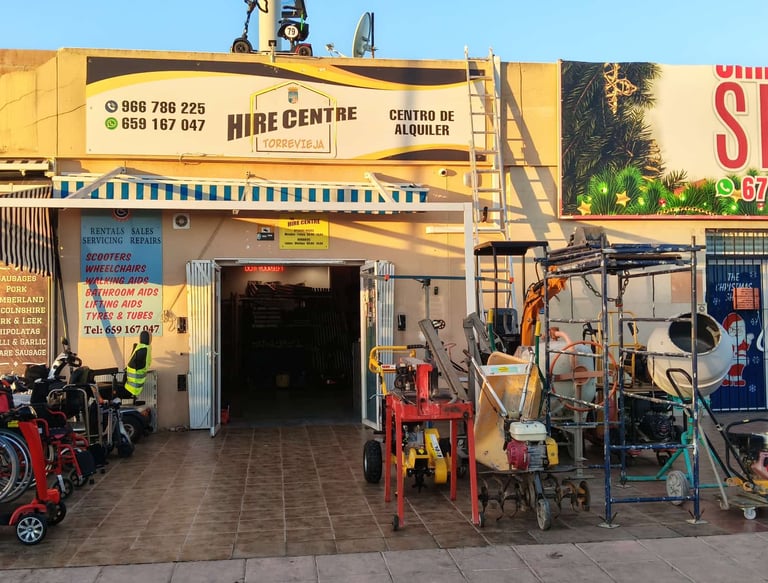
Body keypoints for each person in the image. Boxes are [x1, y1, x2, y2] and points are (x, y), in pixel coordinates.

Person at [123, 331, 152, 398]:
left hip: (130, 388)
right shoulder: (145, 350)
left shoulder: (141, 350)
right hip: (133, 388)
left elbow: (133, 363)